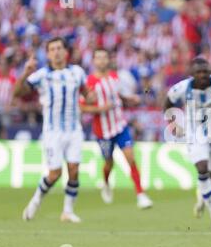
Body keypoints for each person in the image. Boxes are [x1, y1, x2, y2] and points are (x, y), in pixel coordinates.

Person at [14, 37, 92, 223]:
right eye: (52, 49)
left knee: (73, 170)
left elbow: (86, 92)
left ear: (66, 52)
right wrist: (25, 73)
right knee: (54, 174)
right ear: (48, 54)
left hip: (74, 130)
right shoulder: (41, 75)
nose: (56, 52)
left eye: (59, 48)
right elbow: (17, 93)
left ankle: (67, 211)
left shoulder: (77, 72)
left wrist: (91, 97)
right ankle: (36, 201)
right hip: (52, 131)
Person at [164, 57, 211, 232]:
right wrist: (173, 124)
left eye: (205, 71)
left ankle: (202, 196)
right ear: (192, 74)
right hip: (194, 134)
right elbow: (167, 103)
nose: (203, 75)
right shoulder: (182, 88)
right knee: (202, 168)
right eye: (199, 72)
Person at [79, 48, 153, 209]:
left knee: (130, 158)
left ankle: (141, 195)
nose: (102, 61)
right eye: (98, 58)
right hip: (103, 132)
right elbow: (82, 107)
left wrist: (129, 98)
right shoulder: (89, 82)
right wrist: (101, 109)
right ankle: (106, 183)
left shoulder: (114, 76)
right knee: (108, 163)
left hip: (120, 126)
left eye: (104, 57)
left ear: (108, 60)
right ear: (94, 61)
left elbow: (118, 95)